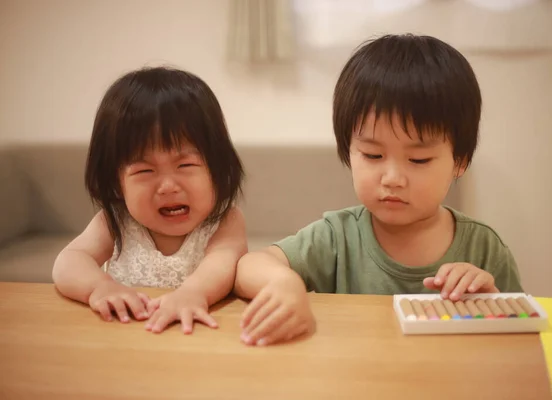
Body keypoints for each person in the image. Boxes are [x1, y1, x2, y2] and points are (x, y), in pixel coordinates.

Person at [234, 34, 523, 346]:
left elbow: (521, 340)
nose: (392, 178)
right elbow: (249, 266)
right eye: (373, 155)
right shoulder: (337, 237)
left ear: (460, 162)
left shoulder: (484, 249)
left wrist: (490, 304)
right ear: (348, 150)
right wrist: (284, 283)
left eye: (418, 159)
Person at [53, 66, 247, 335]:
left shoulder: (226, 220)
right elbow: (69, 260)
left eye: (186, 165)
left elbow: (222, 263)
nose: (168, 186)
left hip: (198, 336)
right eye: (145, 171)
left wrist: (193, 293)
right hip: (126, 335)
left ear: (217, 168)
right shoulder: (115, 222)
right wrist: (98, 287)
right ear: (115, 181)